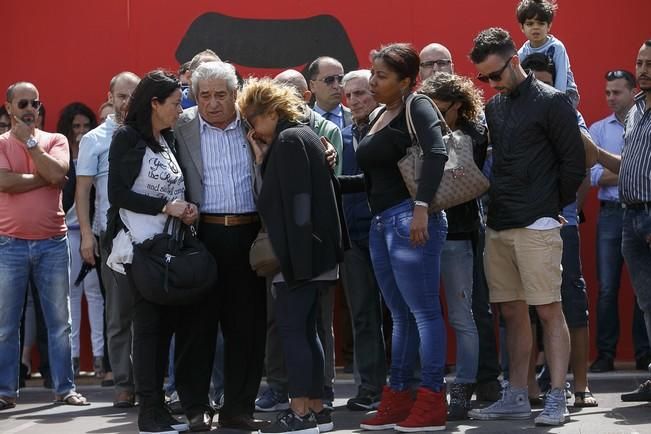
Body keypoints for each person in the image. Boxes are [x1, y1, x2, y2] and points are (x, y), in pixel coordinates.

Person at [467, 28, 585, 426]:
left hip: (537, 223)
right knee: (512, 313)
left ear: (514, 61)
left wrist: (549, 207)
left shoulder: (553, 102)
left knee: (549, 310)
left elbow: (574, 163)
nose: (491, 84)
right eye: (484, 79)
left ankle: (556, 396)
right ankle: (516, 394)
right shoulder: (494, 109)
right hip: (499, 223)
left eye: (494, 75)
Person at [344, 43, 448, 432]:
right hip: (382, 223)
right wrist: (329, 180)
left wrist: (422, 207)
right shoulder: (377, 115)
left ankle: (432, 400)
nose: (372, 82)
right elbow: (374, 179)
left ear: (406, 81)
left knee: (422, 313)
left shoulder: (416, 105)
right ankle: (399, 398)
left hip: (410, 219)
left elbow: (436, 153)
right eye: (372, 74)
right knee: (400, 316)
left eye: (382, 76)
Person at [238, 77, 344, 434]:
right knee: (308, 332)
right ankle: (316, 410)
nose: (253, 130)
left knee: (294, 332)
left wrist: (295, 263)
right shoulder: (303, 136)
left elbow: (295, 205)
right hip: (315, 255)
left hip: (300, 258)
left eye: (253, 122)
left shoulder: (288, 140)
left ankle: (299, 413)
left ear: (269, 113)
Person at [174, 61, 269, 431]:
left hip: (248, 235)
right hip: (202, 235)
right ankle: (195, 407)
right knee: (196, 326)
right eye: (204, 96)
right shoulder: (181, 127)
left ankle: (238, 407)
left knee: (247, 327)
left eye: (221, 95)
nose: (212, 104)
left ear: (235, 94)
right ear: (193, 96)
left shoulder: (253, 122)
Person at [106, 70, 194, 434]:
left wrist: (185, 209)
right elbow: (119, 194)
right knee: (147, 329)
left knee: (164, 328)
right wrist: (166, 206)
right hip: (140, 249)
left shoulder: (167, 138)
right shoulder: (127, 138)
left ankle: (159, 407)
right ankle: (149, 412)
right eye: (174, 103)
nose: (179, 109)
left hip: (167, 247)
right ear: (154, 104)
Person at [0, 81, 89, 410]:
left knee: (60, 323)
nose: (28, 109)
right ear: (9, 108)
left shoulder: (56, 140)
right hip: (9, 245)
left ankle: (64, 388)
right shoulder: (0, 143)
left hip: (52, 243)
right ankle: (5, 392)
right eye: (22, 103)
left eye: (34, 103)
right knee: (6, 325)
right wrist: (43, 177)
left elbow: (60, 172)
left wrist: (32, 145)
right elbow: (3, 181)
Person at [520, 52, 598, 407]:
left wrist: (569, 206)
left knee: (570, 301)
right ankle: (533, 387)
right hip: (521, 221)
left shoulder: (570, 112)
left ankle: (579, 386)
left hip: (560, 221)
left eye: (547, 84)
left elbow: (587, 160)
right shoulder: (512, 109)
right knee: (526, 307)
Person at [418, 71, 488, 419]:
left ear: (458, 106)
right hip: (423, 231)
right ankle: (427, 387)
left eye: (440, 110)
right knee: (420, 315)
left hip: (458, 234)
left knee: (462, 316)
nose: (432, 116)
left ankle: (462, 388)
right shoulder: (422, 125)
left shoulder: (473, 132)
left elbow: (453, 166)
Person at [77, 71, 141, 406]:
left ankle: (151, 382)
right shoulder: (95, 140)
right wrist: (87, 236)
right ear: (110, 97)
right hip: (111, 238)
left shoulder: (153, 135)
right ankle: (123, 384)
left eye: (134, 95)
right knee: (118, 316)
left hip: (149, 239)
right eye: (121, 96)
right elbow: (83, 191)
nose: (127, 103)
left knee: (152, 314)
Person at [588, 69, 651, 373]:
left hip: (642, 210)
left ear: (632, 91)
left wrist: (622, 170)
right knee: (607, 288)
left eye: (617, 92)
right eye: (607, 93)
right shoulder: (599, 129)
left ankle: (644, 354)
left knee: (644, 290)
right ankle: (605, 353)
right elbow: (595, 177)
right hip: (612, 215)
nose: (611, 98)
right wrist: (631, 169)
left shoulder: (642, 120)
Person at [337, 69, 388, 412]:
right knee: (364, 315)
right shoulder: (338, 137)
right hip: (353, 239)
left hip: (389, 232)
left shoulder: (390, 130)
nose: (354, 101)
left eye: (361, 93)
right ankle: (369, 388)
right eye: (349, 95)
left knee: (400, 314)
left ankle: (402, 385)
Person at [57, 102, 105, 378]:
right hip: (65, 234)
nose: (81, 131)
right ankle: (73, 357)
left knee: (95, 295)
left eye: (86, 126)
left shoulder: (97, 153)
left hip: (90, 234)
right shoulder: (59, 156)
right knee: (71, 297)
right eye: (76, 126)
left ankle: (99, 357)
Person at [619, 39, 651, 402]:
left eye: (649, 64)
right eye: (639, 62)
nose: (642, 69)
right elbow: (629, 164)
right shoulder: (636, 109)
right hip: (631, 216)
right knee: (647, 303)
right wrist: (595, 153)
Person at [516, 0, 580, 107]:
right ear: (522, 27)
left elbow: (561, 78)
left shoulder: (557, 47)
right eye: (530, 24)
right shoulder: (522, 52)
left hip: (566, 93)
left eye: (541, 23)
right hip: (538, 96)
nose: (535, 27)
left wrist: (556, 103)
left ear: (549, 26)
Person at [307, 56, 353, 130]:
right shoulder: (302, 121)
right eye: (329, 80)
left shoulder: (356, 118)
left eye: (341, 79)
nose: (336, 85)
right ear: (312, 86)